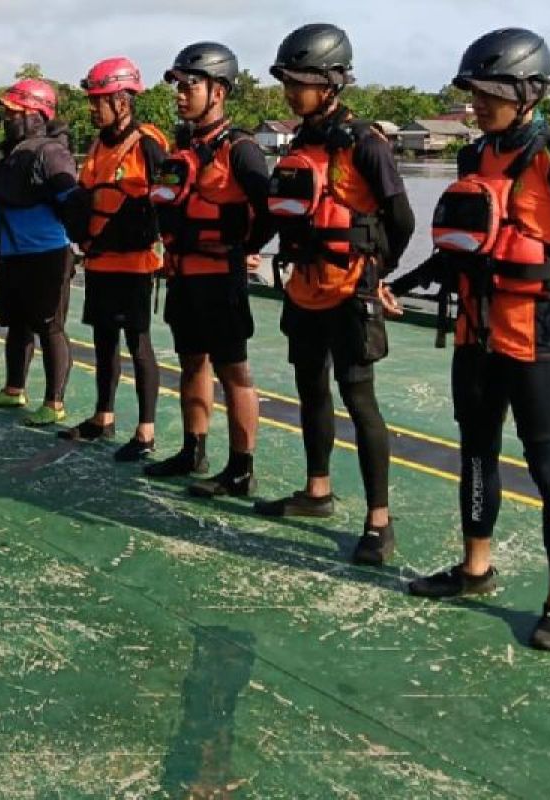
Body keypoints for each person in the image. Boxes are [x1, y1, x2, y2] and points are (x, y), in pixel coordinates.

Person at [395, 28, 550, 650]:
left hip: (540, 342)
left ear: (528, 93)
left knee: (548, 466)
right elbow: (462, 250)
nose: (477, 102)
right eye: (474, 90)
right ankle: (476, 566)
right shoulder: (474, 158)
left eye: (490, 91)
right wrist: (403, 283)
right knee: (475, 451)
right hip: (477, 332)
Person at [254, 24, 415, 566]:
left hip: (351, 289)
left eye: (299, 81)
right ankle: (317, 490)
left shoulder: (366, 143)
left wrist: (377, 271)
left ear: (331, 83)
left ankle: (379, 521)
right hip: (304, 286)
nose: (289, 91)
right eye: (287, 80)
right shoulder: (300, 142)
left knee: (358, 397)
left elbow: (402, 219)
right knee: (310, 388)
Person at [145, 42, 273, 498]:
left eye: (189, 84)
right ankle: (192, 449)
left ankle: (241, 468)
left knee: (233, 369)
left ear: (218, 91)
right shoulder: (184, 149)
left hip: (221, 279)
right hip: (183, 275)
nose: (179, 94)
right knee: (190, 361)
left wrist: (243, 248)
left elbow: (271, 209)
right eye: (177, 85)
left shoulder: (241, 151)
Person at [57, 57, 169, 461]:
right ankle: (103, 416)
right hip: (101, 260)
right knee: (104, 342)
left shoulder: (149, 145)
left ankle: (146, 430)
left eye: (98, 100)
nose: (91, 108)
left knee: (138, 345)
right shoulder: (99, 143)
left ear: (122, 101)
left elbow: (169, 203)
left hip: (135, 264)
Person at [0, 79, 78, 427]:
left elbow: (70, 200)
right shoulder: (8, 151)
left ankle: (54, 402)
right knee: (17, 326)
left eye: (12, 111)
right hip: (11, 254)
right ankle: (14, 389)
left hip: (46, 256)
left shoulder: (51, 153)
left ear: (35, 114)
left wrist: (86, 242)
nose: (6, 117)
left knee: (50, 328)